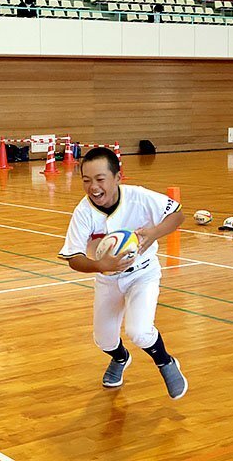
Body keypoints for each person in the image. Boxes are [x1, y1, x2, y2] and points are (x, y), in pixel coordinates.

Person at [59, 147, 188, 400]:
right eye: (86, 180)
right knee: (104, 340)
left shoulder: (139, 197)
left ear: (118, 177)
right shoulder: (83, 212)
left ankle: (165, 362)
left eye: (100, 179)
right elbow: (73, 258)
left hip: (143, 274)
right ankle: (120, 358)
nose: (93, 187)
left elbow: (178, 215)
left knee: (138, 331)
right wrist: (100, 266)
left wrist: (154, 233)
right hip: (107, 279)